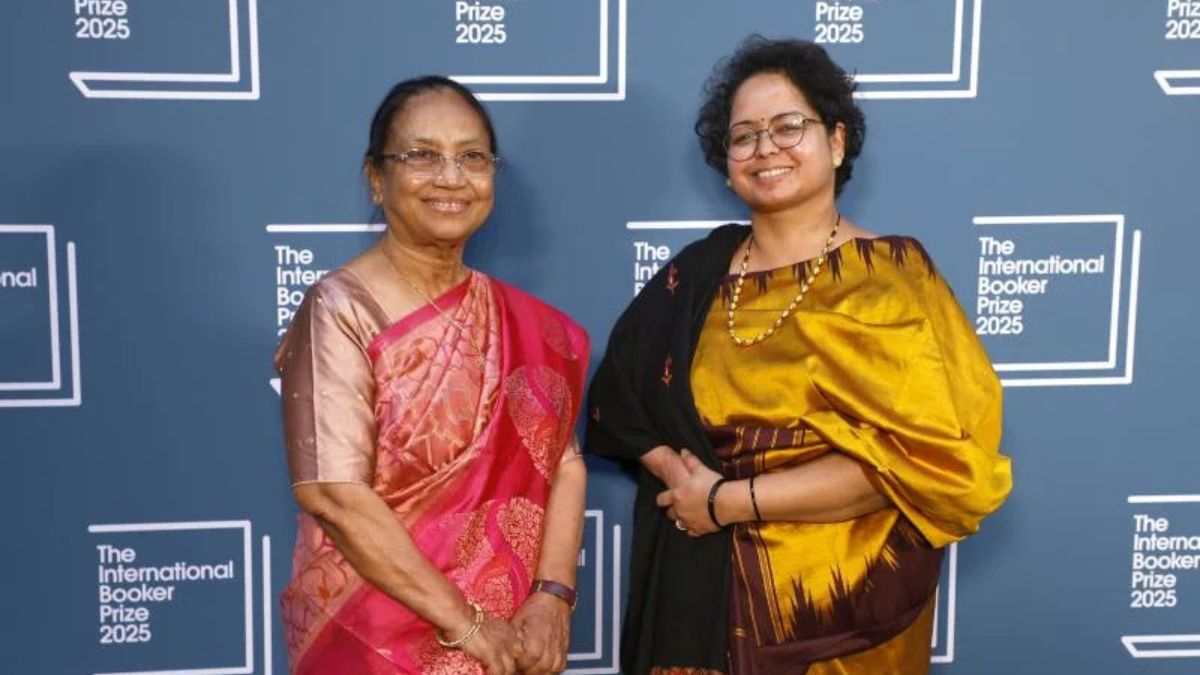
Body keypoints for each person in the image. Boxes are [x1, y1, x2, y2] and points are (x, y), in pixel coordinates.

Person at [585, 37, 1012, 674]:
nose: (766, 149)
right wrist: (683, 481)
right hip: (697, 600)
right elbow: (620, 398)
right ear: (725, 162)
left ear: (837, 142)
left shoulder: (893, 280)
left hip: (843, 613)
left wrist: (727, 502)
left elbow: (935, 463)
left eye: (790, 127)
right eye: (744, 136)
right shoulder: (696, 273)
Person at [275, 76, 589, 675]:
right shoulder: (342, 308)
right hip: (373, 635)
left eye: (472, 157)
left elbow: (564, 461)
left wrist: (552, 597)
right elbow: (333, 494)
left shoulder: (534, 326)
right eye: (422, 155)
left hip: (509, 643)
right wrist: (465, 625)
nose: (451, 177)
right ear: (376, 177)